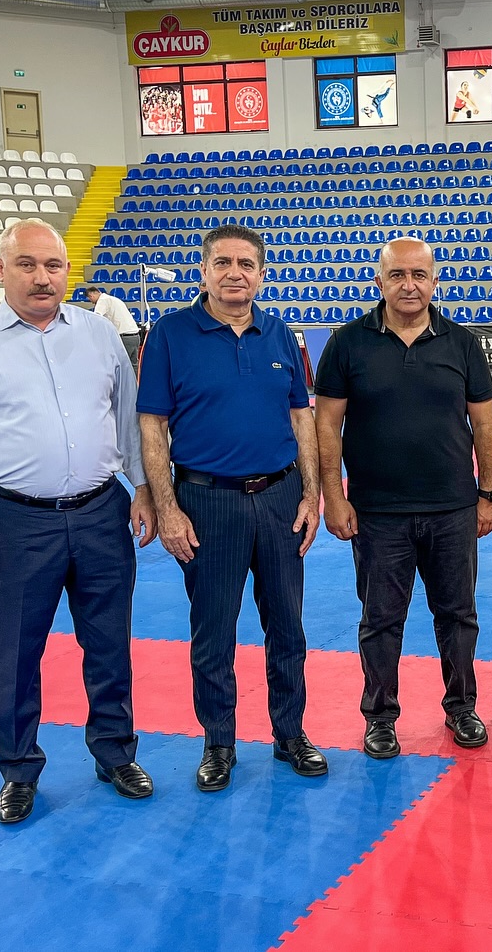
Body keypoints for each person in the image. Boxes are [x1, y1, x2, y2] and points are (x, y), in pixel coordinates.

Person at [0, 217, 157, 824]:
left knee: (109, 644)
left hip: (102, 512)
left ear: (67, 272)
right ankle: (18, 769)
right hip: (12, 520)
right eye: (26, 265)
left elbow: (128, 419)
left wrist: (145, 490)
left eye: (53, 266)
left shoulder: (99, 335)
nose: (41, 277)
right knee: (14, 653)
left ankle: (115, 753)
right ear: (0, 270)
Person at [137, 224, 326, 792]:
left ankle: (290, 733)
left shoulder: (281, 334)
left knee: (287, 627)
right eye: (222, 263)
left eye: (246, 264)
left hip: (279, 498)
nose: (234, 274)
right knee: (213, 632)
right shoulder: (170, 335)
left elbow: (301, 418)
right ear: (204, 272)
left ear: (262, 274)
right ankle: (218, 742)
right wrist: (168, 507)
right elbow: (152, 426)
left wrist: (311, 494)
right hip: (206, 501)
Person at [313, 237, 492, 761]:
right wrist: (334, 496)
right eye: (397, 275)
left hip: (453, 508)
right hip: (377, 512)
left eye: (419, 275)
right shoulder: (347, 343)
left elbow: (485, 424)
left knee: (458, 616)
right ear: (380, 282)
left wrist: (489, 492)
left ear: (435, 281)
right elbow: (326, 425)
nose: (409, 285)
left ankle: (462, 707)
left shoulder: (462, 344)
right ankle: (379, 717)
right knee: (380, 620)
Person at [85, 285, 141, 369]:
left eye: (90, 299)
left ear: (91, 295)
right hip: (135, 336)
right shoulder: (114, 299)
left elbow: (96, 318)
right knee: (133, 365)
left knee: (121, 366)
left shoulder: (102, 300)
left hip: (124, 337)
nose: (91, 302)